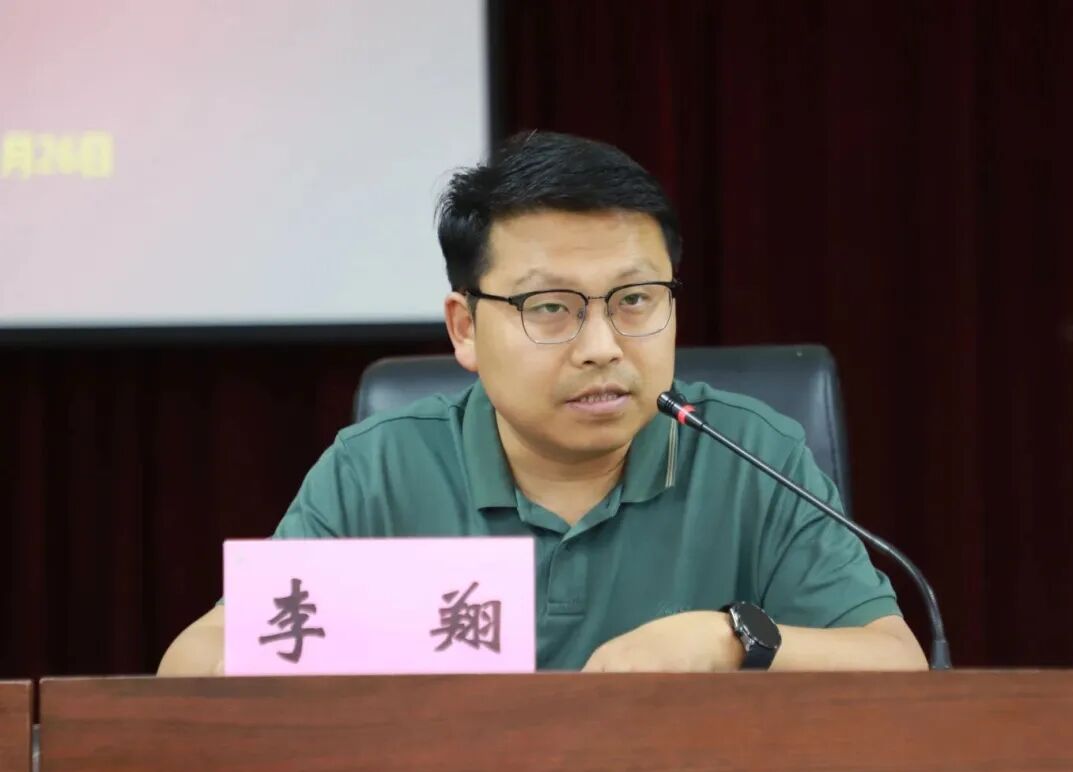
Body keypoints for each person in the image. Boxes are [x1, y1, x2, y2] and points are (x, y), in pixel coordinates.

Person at [159, 131, 927, 676]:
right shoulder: (379, 470)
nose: (601, 345)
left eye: (634, 299)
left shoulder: (751, 454)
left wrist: (729, 638)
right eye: (551, 307)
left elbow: (897, 662)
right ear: (465, 327)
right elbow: (194, 661)